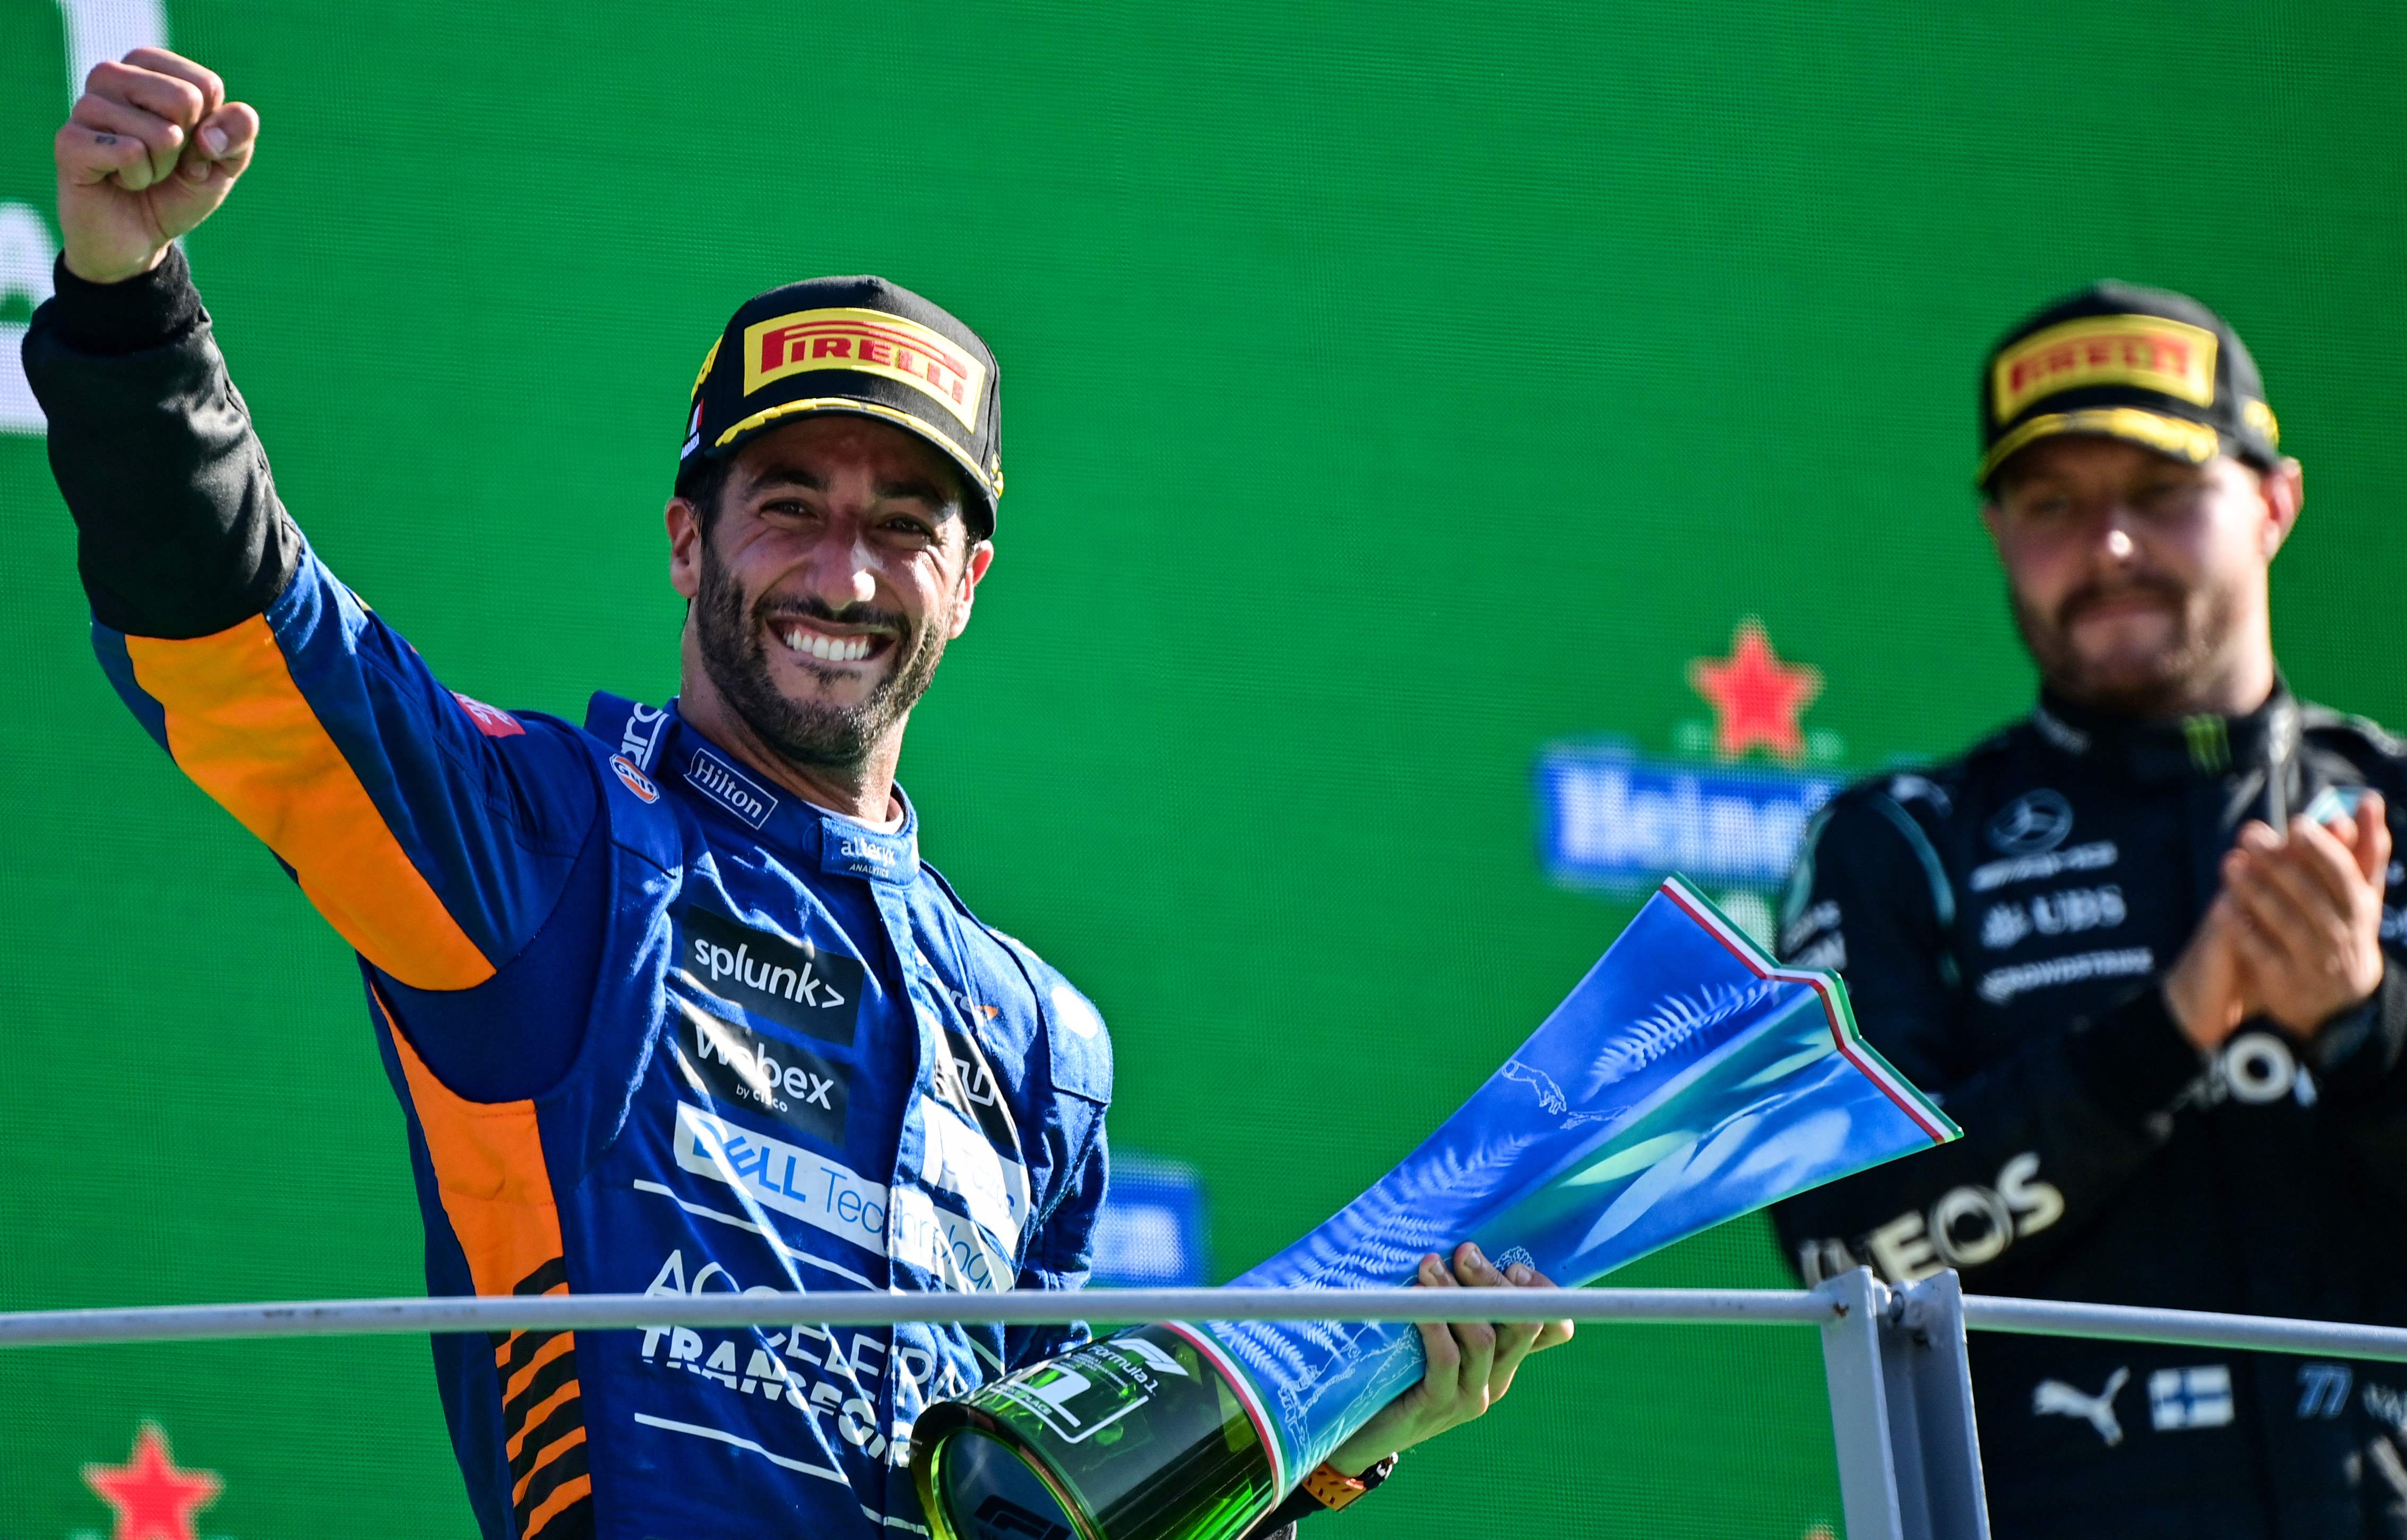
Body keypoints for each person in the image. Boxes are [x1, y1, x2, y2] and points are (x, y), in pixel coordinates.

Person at [28, 49, 1569, 1540]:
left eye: (902, 523)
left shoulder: (1041, 1039)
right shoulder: (546, 845)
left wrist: (1331, 1448)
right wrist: (126, 300)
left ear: (965, 582)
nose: (843, 572)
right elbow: (246, 636)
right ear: (689, 542)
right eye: (788, 508)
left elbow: (1054, 1502)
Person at [1772, 279, 2407, 1537]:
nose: (2109, 546)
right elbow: (1836, 1242)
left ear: (2275, 503)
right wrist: (2166, 1033)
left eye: (2163, 493)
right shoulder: (1902, 842)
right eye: (2053, 503)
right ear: (1998, 529)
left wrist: (2361, 1021)